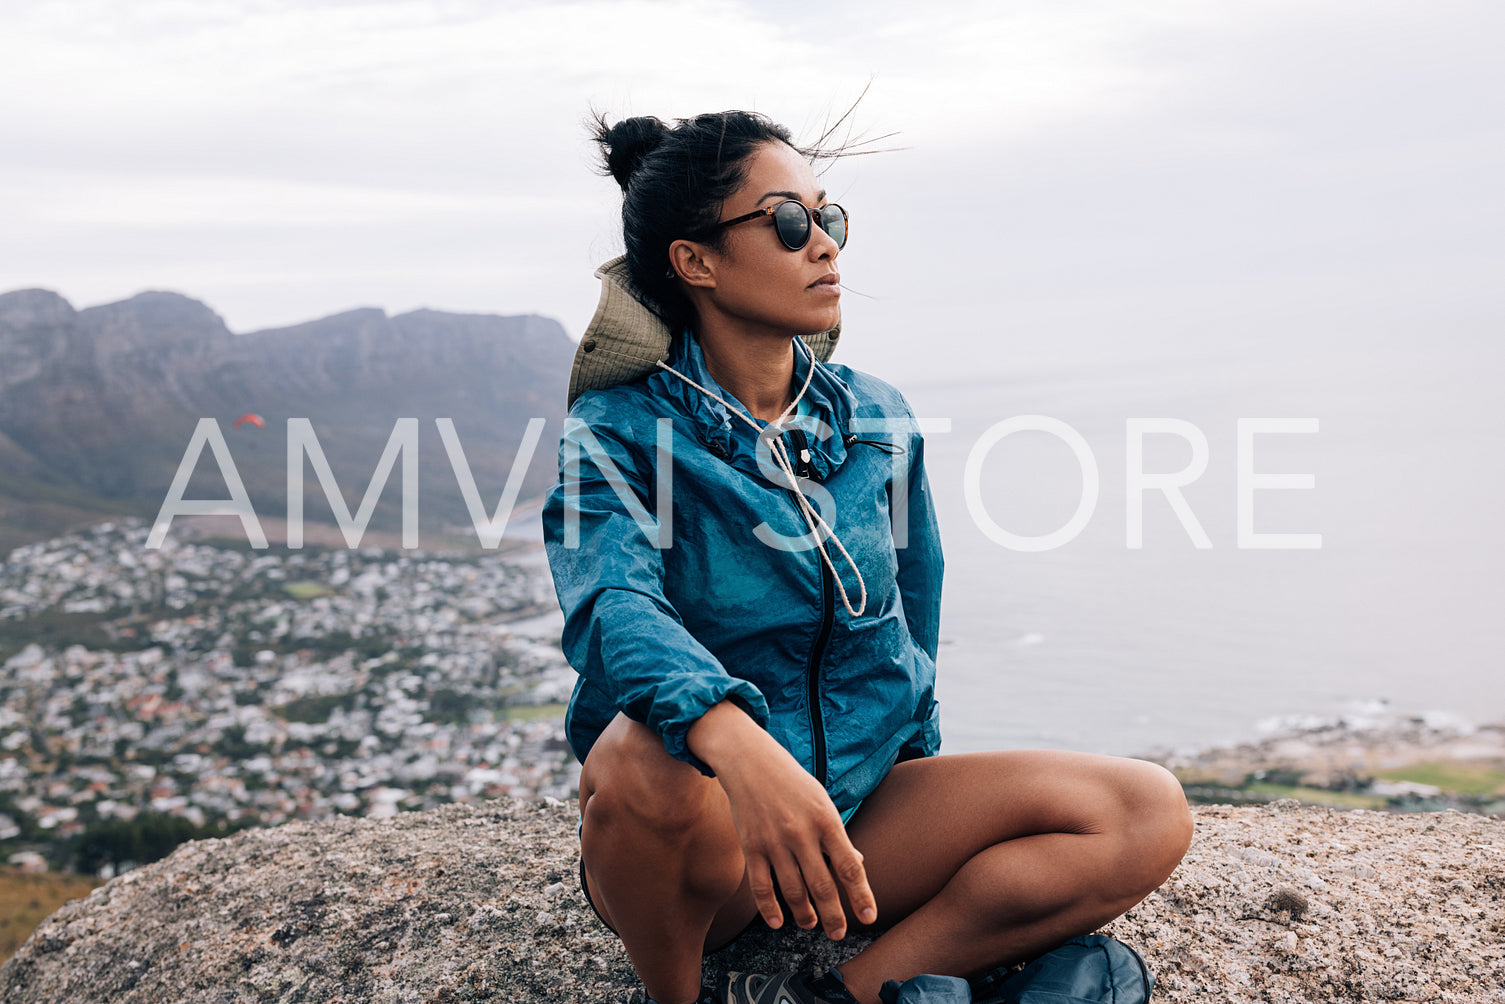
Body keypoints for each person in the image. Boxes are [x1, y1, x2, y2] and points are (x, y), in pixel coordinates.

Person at [542, 109, 1193, 1004]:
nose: (823, 246)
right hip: (711, 844)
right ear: (695, 262)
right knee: (631, 760)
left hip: (854, 814)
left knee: (1142, 810)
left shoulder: (874, 419)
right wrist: (741, 747)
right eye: (786, 222)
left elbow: (908, 623)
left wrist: (915, 777)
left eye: (828, 217)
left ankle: (849, 995)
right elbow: (612, 607)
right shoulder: (617, 431)